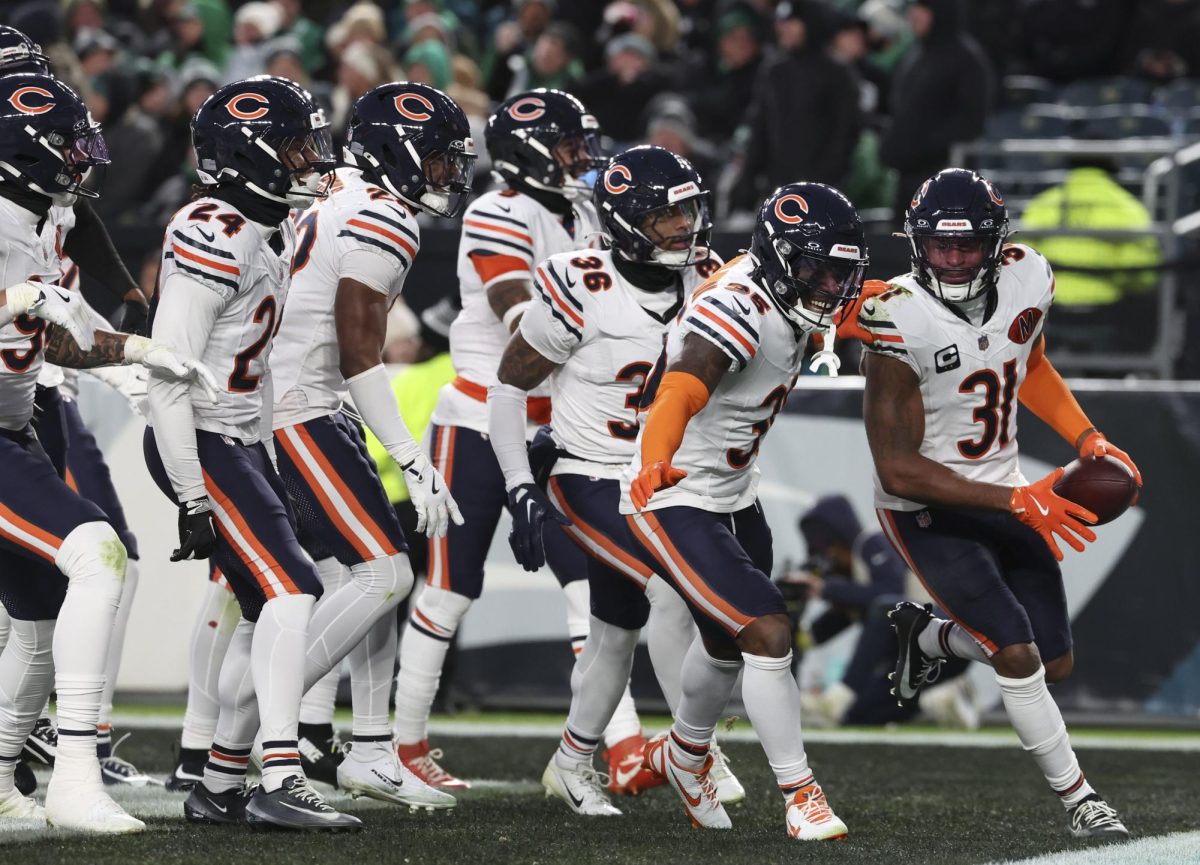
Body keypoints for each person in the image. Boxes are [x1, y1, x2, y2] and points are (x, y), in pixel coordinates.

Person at [855, 167, 1140, 838]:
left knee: (1056, 660)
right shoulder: (896, 317)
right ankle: (1082, 801)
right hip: (925, 506)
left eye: (968, 246)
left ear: (997, 243)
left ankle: (930, 635)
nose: (954, 260)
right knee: (1015, 652)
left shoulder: (1027, 275)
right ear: (917, 244)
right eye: (941, 246)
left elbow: (1028, 362)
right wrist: (1017, 498)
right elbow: (898, 468)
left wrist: (1088, 438)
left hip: (1008, 491)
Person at [393, 89, 649, 791]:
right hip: (481, 418)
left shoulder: (589, 212)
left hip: (561, 428)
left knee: (592, 586)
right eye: (569, 146)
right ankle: (404, 744)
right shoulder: (497, 211)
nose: (583, 157)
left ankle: (623, 746)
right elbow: (516, 309)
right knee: (449, 589)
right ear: (530, 153)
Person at [487, 145, 743, 815]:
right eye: (666, 216)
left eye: (689, 210)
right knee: (673, 589)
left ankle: (572, 762)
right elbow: (508, 387)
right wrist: (518, 486)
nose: (685, 226)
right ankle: (696, 753)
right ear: (627, 222)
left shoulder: (709, 277)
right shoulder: (580, 283)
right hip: (588, 472)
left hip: (666, 477)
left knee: (613, 630)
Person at [142, 75, 360, 831]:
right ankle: (281, 774)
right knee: (294, 591)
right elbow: (167, 374)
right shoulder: (213, 229)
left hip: (235, 439)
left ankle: (219, 782)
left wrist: (267, 458)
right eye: (297, 146)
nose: (311, 160)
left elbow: (256, 370)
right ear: (250, 156)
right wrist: (192, 495)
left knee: (267, 607)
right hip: (201, 437)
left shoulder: (267, 230)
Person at [0, 71, 213, 832]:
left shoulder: (41, 220)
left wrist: (141, 355)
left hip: (15, 428)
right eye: (68, 147)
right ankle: (76, 775)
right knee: (98, 551)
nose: (82, 160)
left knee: (37, 619)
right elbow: (25, 308)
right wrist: (14, 300)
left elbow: (61, 338)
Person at [624, 183, 868, 840]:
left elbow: (852, 301)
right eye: (817, 269)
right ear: (781, 259)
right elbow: (679, 389)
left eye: (840, 271)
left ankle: (682, 755)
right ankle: (801, 793)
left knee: (725, 647)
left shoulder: (788, 287)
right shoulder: (737, 306)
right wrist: (656, 457)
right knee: (767, 631)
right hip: (674, 490)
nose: (830, 285)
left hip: (734, 491)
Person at [269, 81, 472, 812]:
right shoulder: (384, 213)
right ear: (399, 153)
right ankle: (257, 733)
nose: (450, 174)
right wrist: (413, 461)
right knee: (385, 574)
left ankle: (372, 747)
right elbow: (360, 353)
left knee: (366, 577)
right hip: (297, 403)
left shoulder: (334, 190)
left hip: (294, 394)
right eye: (440, 159)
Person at [0, 22, 157, 789]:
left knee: (57, 580)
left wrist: (125, 331)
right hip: (24, 392)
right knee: (89, 553)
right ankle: (68, 748)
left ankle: (37, 746)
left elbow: (76, 234)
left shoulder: (38, 199)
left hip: (27, 391)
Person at [1020, 158, 1162, 354]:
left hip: (1052, 313)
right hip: (1108, 314)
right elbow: (1143, 276)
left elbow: (1023, 265)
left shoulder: (1042, 205)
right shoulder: (1128, 208)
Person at [880, 0, 993, 219]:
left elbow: (970, 120)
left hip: (945, 181)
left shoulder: (966, 58)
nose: (914, 15)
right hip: (907, 177)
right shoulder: (914, 56)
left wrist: (921, 147)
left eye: (923, 8)